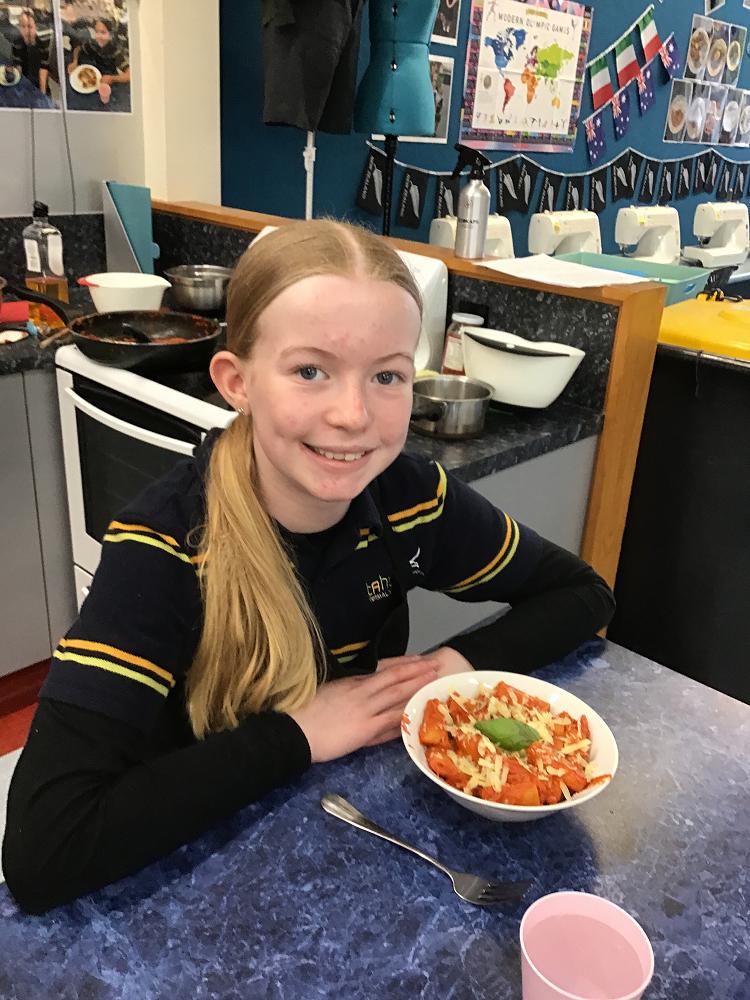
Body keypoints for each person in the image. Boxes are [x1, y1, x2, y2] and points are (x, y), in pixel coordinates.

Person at [2, 220, 615, 915]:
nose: (353, 415)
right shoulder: (162, 547)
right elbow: (43, 851)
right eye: (310, 371)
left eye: (387, 375)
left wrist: (453, 667)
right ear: (237, 382)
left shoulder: (411, 499)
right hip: (189, 870)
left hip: (346, 844)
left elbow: (582, 593)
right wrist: (298, 734)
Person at [67, 14, 129, 89]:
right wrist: (75, 61)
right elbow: (78, 49)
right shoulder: (93, 43)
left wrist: (112, 78)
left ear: (111, 34)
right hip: (93, 73)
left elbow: (129, 75)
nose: (99, 36)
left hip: (108, 81)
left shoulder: (116, 50)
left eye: (103, 32)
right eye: (97, 32)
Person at [11, 8, 50, 94]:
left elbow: (43, 70)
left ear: (35, 27)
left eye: (30, 27)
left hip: (40, 83)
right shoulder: (17, 43)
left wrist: (42, 93)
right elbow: (18, 67)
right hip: (24, 81)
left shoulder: (43, 43)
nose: (26, 31)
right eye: (23, 26)